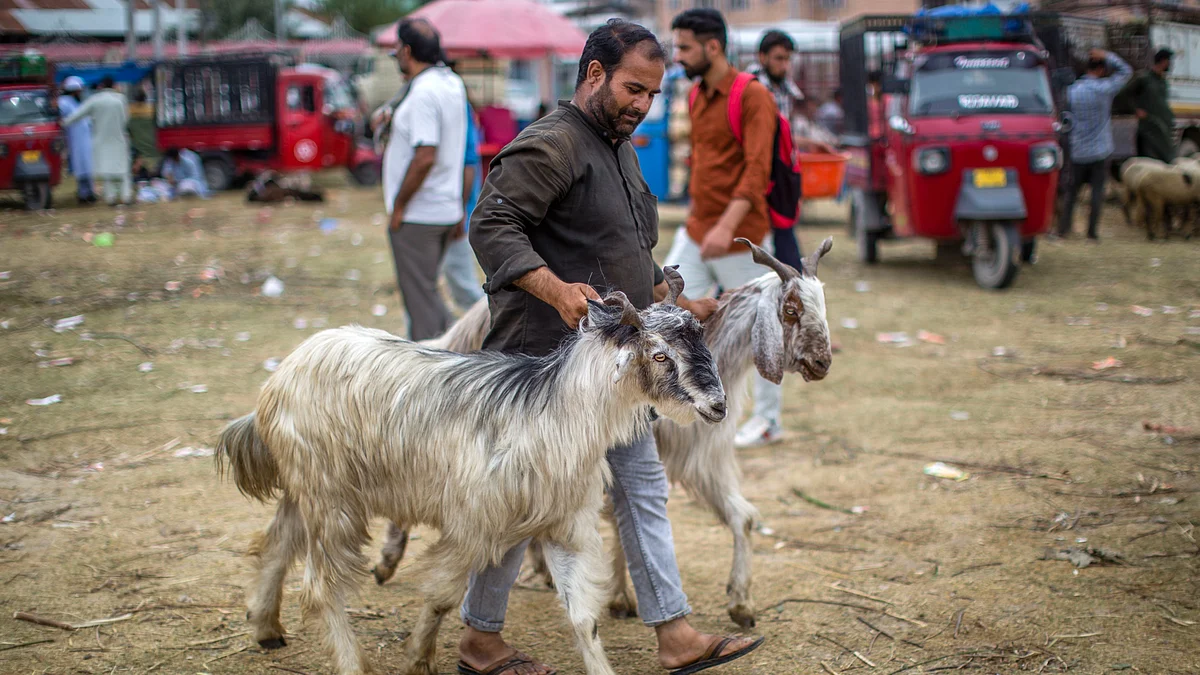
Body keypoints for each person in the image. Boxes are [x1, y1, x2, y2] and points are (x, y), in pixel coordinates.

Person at [466, 18, 763, 675]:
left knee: (643, 487)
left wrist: (676, 299)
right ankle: (479, 641)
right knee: (522, 499)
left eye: (653, 94)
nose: (641, 104)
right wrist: (550, 287)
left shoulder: (621, 150)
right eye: (633, 88)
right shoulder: (553, 142)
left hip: (617, 372)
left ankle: (675, 632)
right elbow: (489, 221)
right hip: (543, 366)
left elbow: (626, 253)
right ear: (594, 74)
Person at [668, 8, 787, 449]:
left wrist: (727, 228)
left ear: (712, 46)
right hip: (698, 229)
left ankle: (769, 421)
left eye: (684, 47)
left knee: (764, 330)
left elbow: (757, 172)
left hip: (743, 237)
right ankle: (683, 406)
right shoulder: (698, 95)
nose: (677, 56)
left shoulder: (754, 96)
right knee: (666, 310)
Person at [383, 18, 468, 341]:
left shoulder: (424, 93)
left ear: (406, 51)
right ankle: (455, 353)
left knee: (421, 306)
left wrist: (399, 206)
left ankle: (440, 369)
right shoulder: (451, 84)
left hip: (419, 213)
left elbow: (425, 156)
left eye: (396, 50)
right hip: (445, 207)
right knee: (428, 295)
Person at [1059, 49, 1132, 242]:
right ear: (1101, 69)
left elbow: (1064, 119)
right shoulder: (1104, 90)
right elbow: (1126, 72)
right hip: (1101, 150)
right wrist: (1108, 56)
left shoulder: (1072, 91)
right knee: (1097, 194)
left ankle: (1063, 229)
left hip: (1078, 151)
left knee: (1071, 193)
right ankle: (1091, 233)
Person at [438, 97, 486, 312]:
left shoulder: (456, 105)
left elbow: (469, 163)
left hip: (456, 213)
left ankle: (484, 328)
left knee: (463, 286)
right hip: (445, 211)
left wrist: (460, 212)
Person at [62, 76, 131, 207]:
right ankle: (125, 196)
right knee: (122, 170)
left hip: (101, 140)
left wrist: (64, 122)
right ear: (114, 86)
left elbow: (78, 115)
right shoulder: (121, 99)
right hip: (118, 138)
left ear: (101, 86)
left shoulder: (95, 100)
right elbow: (125, 119)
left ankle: (110, 198)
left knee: (107, 170)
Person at [1123, 48, 1176, 163]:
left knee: (1167, 164)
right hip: (1148, 130)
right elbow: (1125, 93)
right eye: (1169, 61)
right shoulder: (1144, 78)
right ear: (1163, 61)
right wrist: (1135, 110)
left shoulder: (1162, 81)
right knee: (1150, 164)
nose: (1170, 64)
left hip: (1163, 129)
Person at [58, 76, 96, 204]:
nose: (81, 92)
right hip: (75, 139)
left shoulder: (77, 101)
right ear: (73, 90)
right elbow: (63, 118)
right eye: (79, 90)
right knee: (81, 166)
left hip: (85, 138)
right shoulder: (64, 102)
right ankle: (83, 193)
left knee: (88, 165)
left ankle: (89, 192)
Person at [128, 87, 160, 182]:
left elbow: (128, 130)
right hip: (153, 147)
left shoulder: (130, 111)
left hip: (139, 150)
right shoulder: (152, 111)